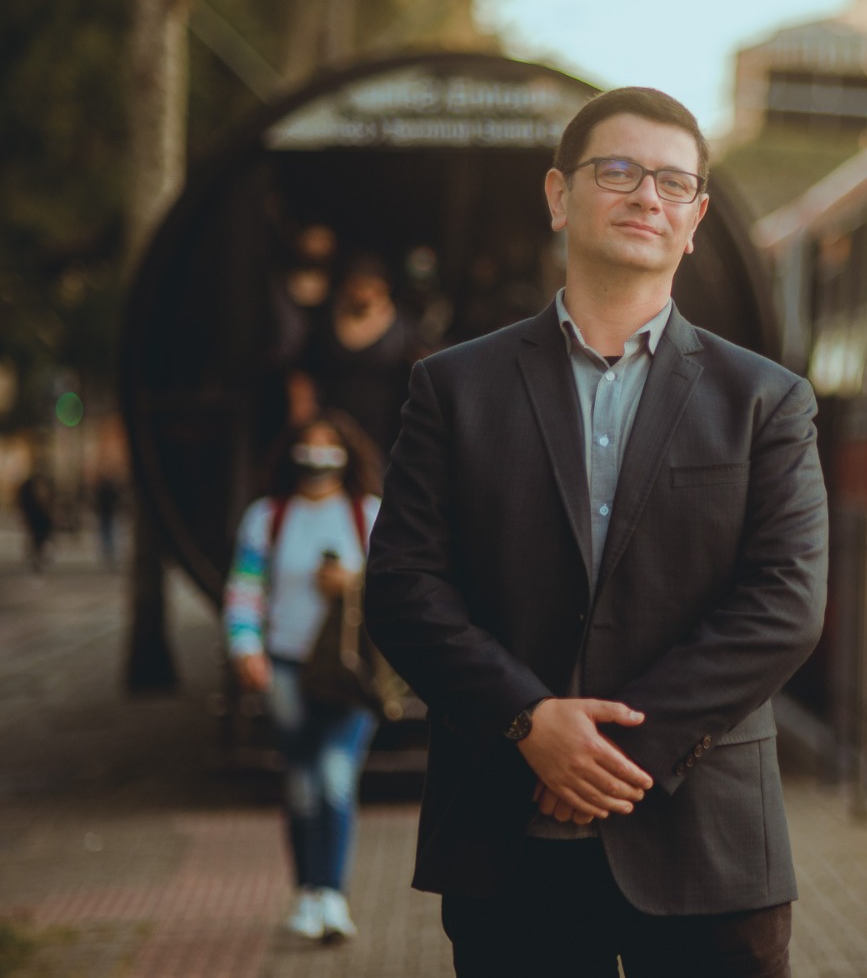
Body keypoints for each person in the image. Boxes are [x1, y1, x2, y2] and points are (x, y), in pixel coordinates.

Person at [364, 87, 829, 977]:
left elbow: (786, 604)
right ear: (558, 195)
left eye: (672, 182)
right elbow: (403, 588)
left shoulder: (767, 401)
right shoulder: (453, 389)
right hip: (508, 842)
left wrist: (617, 751)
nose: (646, 195)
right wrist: (527, 720)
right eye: (617, 171)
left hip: (708, 850)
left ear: (694, 221)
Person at [223, 410, 384, 945]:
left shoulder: (368, 515)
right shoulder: (267, 518)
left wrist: (353, 582)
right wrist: (245, 647)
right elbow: (245, 587)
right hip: (286, 666)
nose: (317, 457)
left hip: (349, 672)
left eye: (327, 446)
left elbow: (403, 590)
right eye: (307, 446)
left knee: (335, 775)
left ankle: (333, 894)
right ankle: (307, 893)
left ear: (347, 453)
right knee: (301, 784)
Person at [289, 251, 425, 459]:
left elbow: (421, 376)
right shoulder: (326, 321)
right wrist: (302, 412)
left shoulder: (403, 330)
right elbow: (303, 371)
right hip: (331, 427)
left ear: (383, 288)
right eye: (358, 285)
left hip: (383, 433)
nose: (363, 293)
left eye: (370, 287)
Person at [16, 469, 54, 572]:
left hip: (42, 520)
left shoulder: (46, 487)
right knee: (35, 541)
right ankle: (35, 559)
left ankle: (38, 558)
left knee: (41, 541)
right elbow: (23, 505)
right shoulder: (27, 489)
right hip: (34, 519)